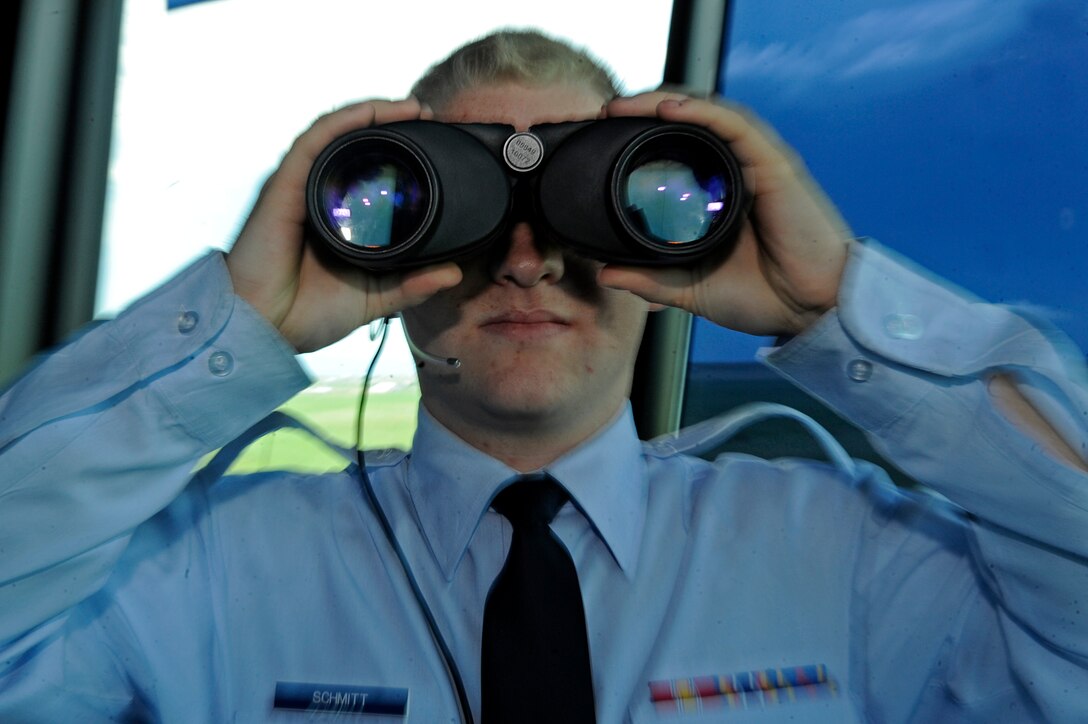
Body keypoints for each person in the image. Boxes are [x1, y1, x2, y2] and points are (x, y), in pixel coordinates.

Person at [1, 29, 1086, 723]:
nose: (527, 259)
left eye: (585, 203)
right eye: (465, 210)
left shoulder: (847, 553)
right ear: (388, 262)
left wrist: (836, 304)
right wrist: (234, 325)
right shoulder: (216, 569)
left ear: (661, 262)